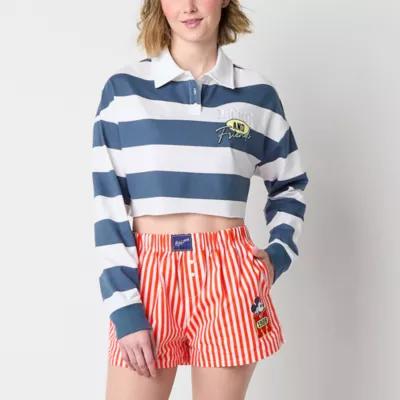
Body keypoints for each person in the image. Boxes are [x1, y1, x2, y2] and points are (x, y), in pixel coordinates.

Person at [91, 0, 309, 398]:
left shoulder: (257, 95)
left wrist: (277, 255)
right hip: (148, 277)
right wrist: (123, 305)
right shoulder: (123, 91)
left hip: (230, 276)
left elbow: (289, 184)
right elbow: (109, 204)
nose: (189, 7)